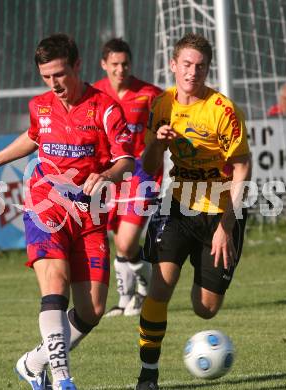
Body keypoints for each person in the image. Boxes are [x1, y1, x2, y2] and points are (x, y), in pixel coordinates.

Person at [0, 33, 134, 390]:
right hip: (45, 207)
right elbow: (34, 136)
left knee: (92, 311)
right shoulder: (40, 106)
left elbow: (126, 160)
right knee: (55, 285)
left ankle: (33, 362)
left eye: (60, 74)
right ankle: (62, 380)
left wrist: (106, 174)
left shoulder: (106, 108)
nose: (54, 83)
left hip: (89, 218)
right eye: (47, 77)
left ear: (77, 65)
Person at [135, 33, 252, 390]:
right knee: (160, 287)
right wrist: (157, 141)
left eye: (200, 66)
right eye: (186, 64)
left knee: (205, 309)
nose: (192, 72)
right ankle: (148, 375)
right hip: (178, 206)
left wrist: (225, 227)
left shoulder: (223, 110)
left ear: (207, 69)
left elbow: (243, 168)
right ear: (173, 65)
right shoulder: (161, 105)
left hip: (220, 212)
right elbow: (148, 162)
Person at [93, 38, 163, 317]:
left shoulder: (149, 94)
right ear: (104, 65)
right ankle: (125, 302)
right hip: (110, 175)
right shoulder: (95, 93)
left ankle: (147, 284)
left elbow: (168, 122)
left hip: (142, 173)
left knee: (126, 242)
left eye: (125, 64)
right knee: (118, 239)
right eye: (114, 65)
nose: (120, 70)